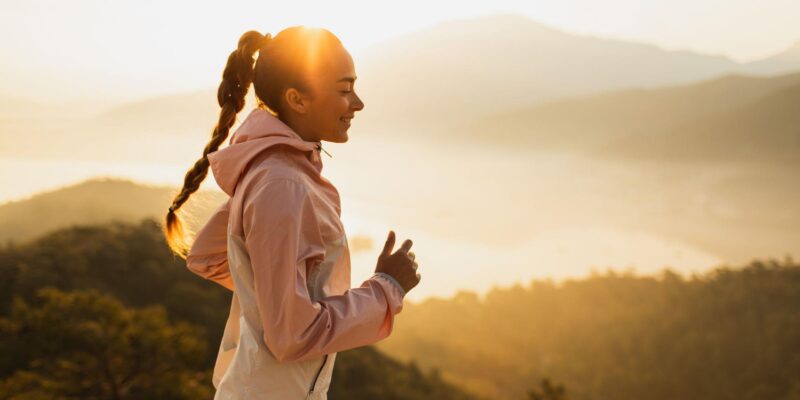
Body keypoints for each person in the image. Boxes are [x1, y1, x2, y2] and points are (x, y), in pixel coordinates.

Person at [162, 27, 422, 399]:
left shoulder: (272, 171)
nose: (358, 103)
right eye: (345, 90)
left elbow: (208, 258)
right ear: (297, 100)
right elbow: (293, 336)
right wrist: (385, 289)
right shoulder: (282, 184)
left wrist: (274, 293)